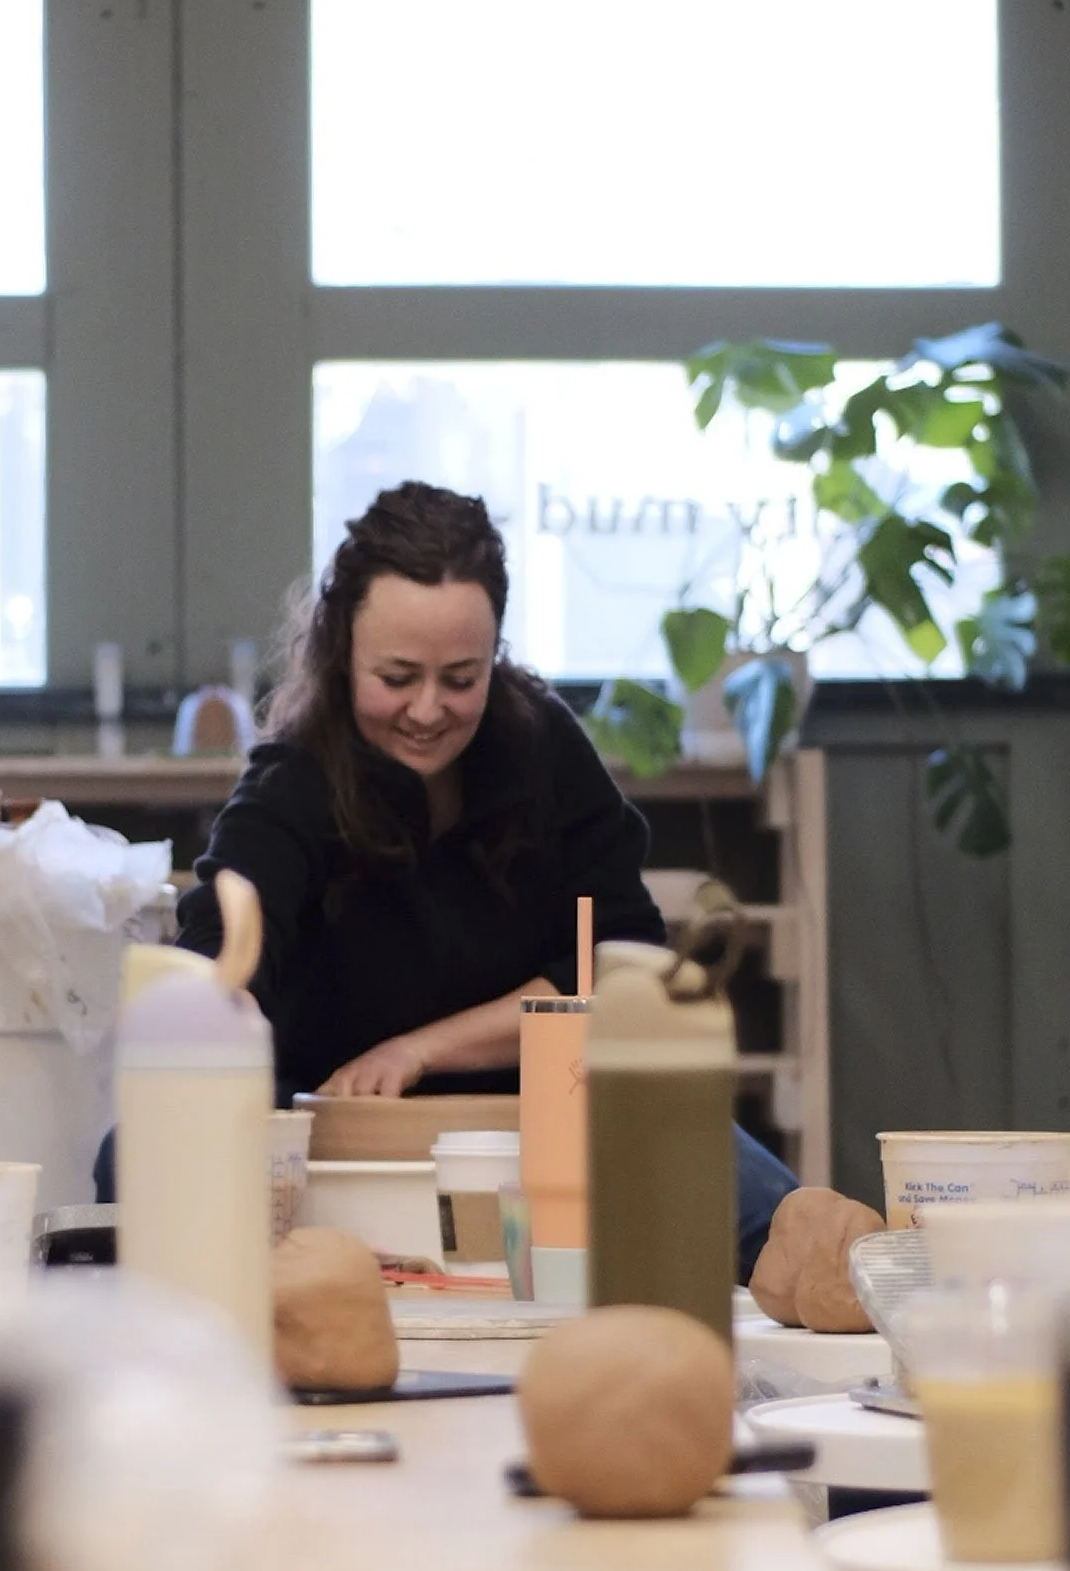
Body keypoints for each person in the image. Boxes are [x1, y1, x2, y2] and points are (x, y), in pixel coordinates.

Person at [101, 480, 796, 1276]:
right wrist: (223, 1027)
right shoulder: (293, 781)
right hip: (329, 1119)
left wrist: (421, 1050)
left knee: (765, 1208)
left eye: (461, 678)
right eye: (397, 677)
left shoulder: (543, 746)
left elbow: (620, 958)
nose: (428, 710)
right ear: (341, 651)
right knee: (131, 1160)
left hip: (536, 1109)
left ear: (494, 654)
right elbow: (219, 958)